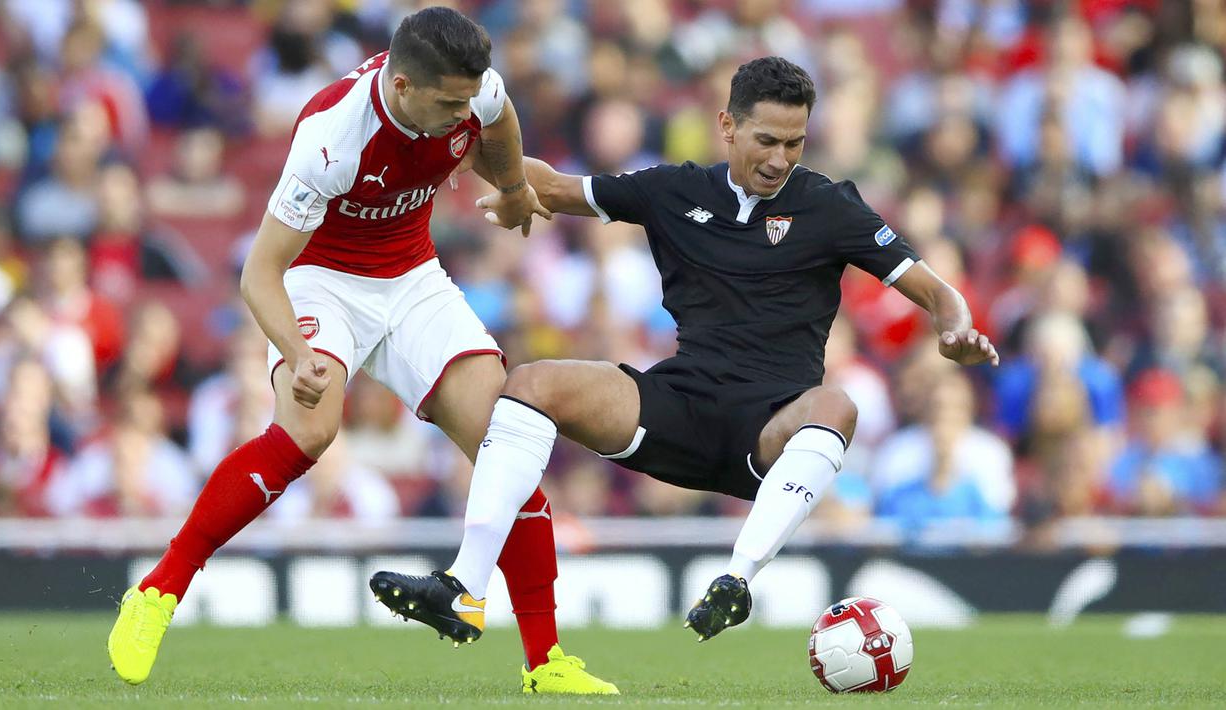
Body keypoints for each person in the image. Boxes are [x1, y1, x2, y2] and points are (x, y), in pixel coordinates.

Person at [371, 56, 998, 644]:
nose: (781, 159)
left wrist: (955, 328)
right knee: (532, 382)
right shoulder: (674, 190)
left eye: (795, 143)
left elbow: (936, 290)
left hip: (771, 429)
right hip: (681, 406)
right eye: (767, 140)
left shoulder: (831, 206)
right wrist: (453, 147)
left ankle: (737, 580)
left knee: (836, 405)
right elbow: (554, 188)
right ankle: (464, 588)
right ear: (727, 126)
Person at [107, 7, 617, 695]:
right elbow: (259, 272)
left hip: (410, 277)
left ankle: (544, 662)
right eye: (447, 104)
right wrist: (297, 351)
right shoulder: (332, 135)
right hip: (319, 279)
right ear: (402, 85)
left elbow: (499, 124)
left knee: (508, 439)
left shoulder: (472, 90)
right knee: (309, 431)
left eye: (467, 98)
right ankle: (159, 591)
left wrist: (515, 188)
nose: (460, 115)